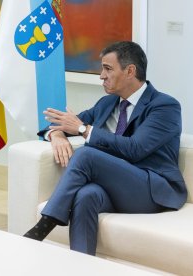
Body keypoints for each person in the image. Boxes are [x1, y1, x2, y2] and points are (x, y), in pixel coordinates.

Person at [23, 41, 187, 255]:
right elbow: (61, 125)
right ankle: (82, 266)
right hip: (116, 187)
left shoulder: (164, 106)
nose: (101, 75)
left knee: (86, 155)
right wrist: (57, 135)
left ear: (130, 71)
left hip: (151, 188)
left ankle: (45, 225)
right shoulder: (107, 103)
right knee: (86, 195)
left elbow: (136, 149)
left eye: (108, 69)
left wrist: (83, 129)